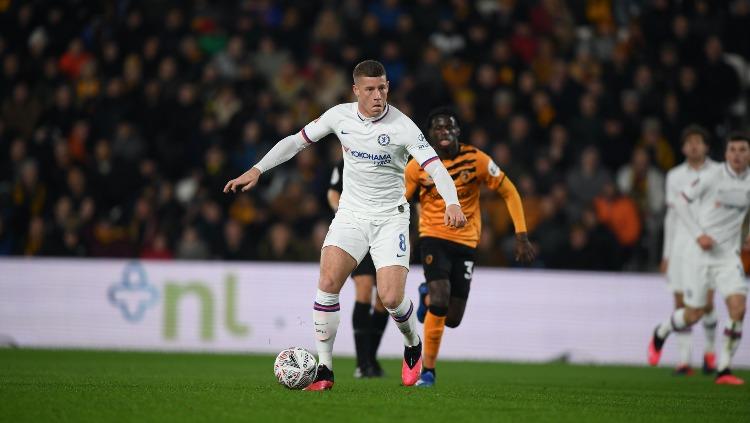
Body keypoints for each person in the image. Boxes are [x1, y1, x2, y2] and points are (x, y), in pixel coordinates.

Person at [224, 60, 466, 390]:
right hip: (351, 214)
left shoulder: (403, 126)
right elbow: (296, 141)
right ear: (356, 91)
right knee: (327, 281)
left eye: (382, 88)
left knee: (392, 298)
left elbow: (436, 168)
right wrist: (256, 170)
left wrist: (452, 201)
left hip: (390, 218)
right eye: (370, 89)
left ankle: (412, 345)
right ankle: (324, 369)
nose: (378, 95)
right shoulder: (339, 116)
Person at [404, 107, 535, 387]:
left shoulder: (475, 159)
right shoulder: (417, 165)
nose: (444, 132)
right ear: (429, 134)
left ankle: (425, 295)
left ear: (458, 132)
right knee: (441, 300)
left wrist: (521, 234)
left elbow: (508, 190)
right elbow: (400, 201)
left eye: (449, 127)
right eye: (437, 128)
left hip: (465, 242)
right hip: (433, 236)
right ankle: (428, 371)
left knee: (452, 318)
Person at [648, 132, 750, 385]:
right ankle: (661, 331)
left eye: (743, 150)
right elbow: (681, 203)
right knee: (694, 314)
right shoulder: (712, 176)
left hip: (728, 257)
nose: (737, 155)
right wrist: (699, 235)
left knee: (738, 308)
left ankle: (723, 369)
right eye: (733, 150)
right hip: (700, 255)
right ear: (726, 154)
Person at [660, 125, 719, 375]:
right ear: (683, 148)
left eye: (699, 141)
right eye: (689, 142)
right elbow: (671, 217)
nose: (694, 146)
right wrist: (666, 253)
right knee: (680, 302)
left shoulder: (719, 172)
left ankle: (709, 352)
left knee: (706, 302)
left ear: (706, 146)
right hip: (681, 245)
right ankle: (684, 360)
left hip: (709, 243)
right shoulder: (674, 176)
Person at [327, 160, 389, 378]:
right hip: (358, 232)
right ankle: (362, 363)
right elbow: (333, 193)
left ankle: (370, 359)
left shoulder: (390, 159)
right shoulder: (347, 161)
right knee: (364, 287)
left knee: (384, 298)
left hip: (385, 230)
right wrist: (344, 213)